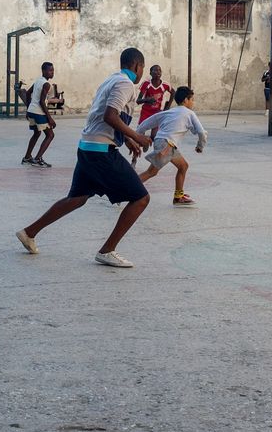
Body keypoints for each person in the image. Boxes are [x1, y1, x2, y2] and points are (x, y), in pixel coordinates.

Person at [16, 47, 154, 269]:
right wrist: (136, 135)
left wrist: (127, 140)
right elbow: (110, 115)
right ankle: (107, 250)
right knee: (141, 198)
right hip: (100, 151)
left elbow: (103, 115)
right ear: (137, 66)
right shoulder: (126, 84)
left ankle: (29, 232)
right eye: (143, 68)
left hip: (87, 146)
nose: (142, 73)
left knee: (78, 198)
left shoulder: (111, 79)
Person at [136, 85, 208, 206]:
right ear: (186, 100)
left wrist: (140, 135)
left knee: (183, 166)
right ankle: (125, 188)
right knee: (151, 172)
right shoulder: (190, 113)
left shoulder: (169, 112)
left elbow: (145, 123)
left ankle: (178, 196)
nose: (193, 102)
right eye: (192, 99)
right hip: (167, 146)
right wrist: (200, 146)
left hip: (163, 142)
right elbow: (202, 132)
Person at [21, 62, 57, 167]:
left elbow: (28, 93)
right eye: (50, 70)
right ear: (43, 71)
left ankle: (27, 157)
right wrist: (50, 118)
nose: (52, 72)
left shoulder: (38, 81)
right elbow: (42, 102)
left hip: (32, 111)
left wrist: (28, 109)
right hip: (38, 112)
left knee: (36, 133)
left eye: (53, 70)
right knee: (50, 135)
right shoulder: (46, 84)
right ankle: (38, 159)